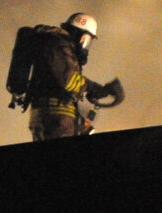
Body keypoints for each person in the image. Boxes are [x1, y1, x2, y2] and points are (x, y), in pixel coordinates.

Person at [25, 13, 114, 141]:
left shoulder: (60, 46)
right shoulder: (58, 44)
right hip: (55, 118)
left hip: (53, 116)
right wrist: (94, 88)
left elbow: (64, 91)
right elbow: (68, 79)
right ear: (79, 35)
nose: (85, 46)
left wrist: (81, 125)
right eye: (87, 39)